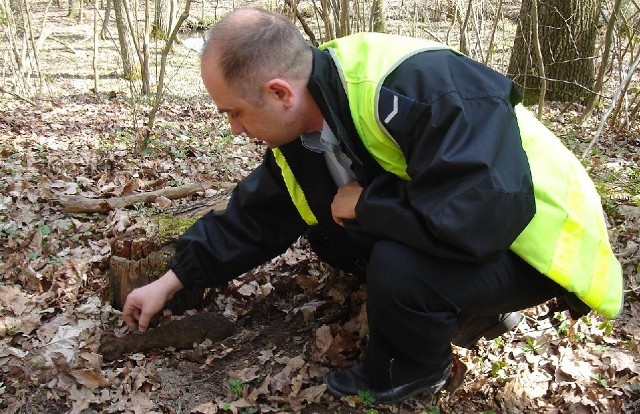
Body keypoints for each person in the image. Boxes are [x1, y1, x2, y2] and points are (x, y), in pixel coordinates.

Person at [122, 7, 623, 404]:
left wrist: (371, 206)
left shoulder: (416, 86)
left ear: (278, 92)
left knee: (396, 262)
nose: (234, 128)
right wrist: (171, 281)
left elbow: (483, 215)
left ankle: (411, 373)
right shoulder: (309, 120)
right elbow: (256, 216)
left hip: (539, 245)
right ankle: (469, 310)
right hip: (485, 241)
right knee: (342, 234)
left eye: (235, 112)